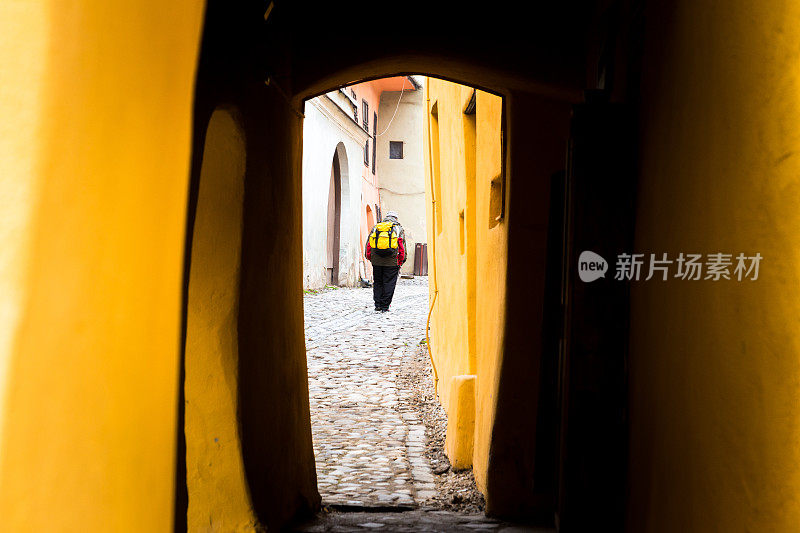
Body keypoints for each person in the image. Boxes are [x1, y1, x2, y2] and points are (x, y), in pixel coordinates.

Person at [364, 211, 406, 312]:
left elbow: (369, 243)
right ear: (396, 218)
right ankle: (385, 306)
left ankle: (377, 304)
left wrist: (369, 257)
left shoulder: (377, 227)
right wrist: (402, 260)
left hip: (376, 260)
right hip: (392, 261)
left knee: (378, 282)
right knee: (389, 283)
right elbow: (402, 246)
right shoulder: (398, 228)